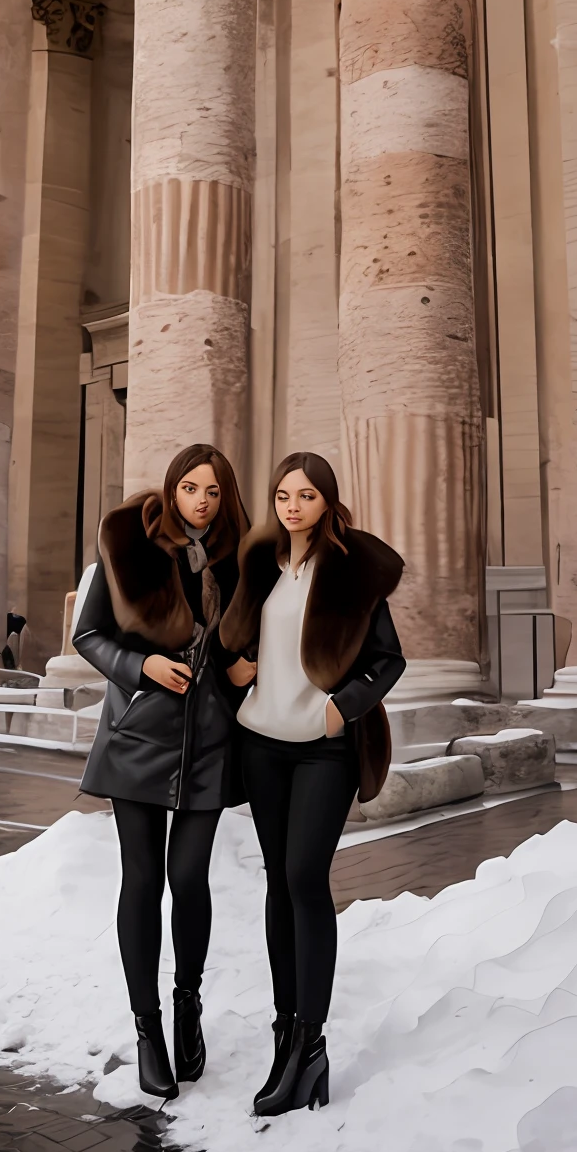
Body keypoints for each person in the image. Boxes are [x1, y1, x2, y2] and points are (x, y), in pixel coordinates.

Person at [219, 452, 405, 1118]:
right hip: (262, 744)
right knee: (278, 882)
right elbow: (232, 639)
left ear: (326, 501)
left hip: (323, 749)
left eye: (304, 495)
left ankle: (311, 1041)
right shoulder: (261, 568)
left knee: (304, 878)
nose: (291, 506)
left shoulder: (348, 574)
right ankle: (285, 1037)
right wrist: (237, 668)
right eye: (281, 495)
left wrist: (341, 707)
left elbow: (388, 659)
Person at [73, 443, 254, 1102]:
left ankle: (187, 1006)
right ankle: (147, 1031)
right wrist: (141, 668)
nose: (200, 501)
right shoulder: (127, 547)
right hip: (138, 735)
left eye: (212, 491)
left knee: (190, 878)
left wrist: (244, 666)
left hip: (209, 740)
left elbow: (250, 642)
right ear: (171, 489)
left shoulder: (240, 562)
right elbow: (88, 635)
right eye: (190, 488)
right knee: (144, 881)